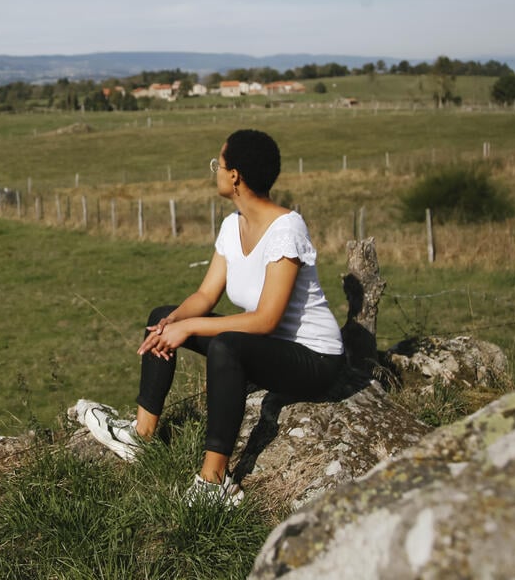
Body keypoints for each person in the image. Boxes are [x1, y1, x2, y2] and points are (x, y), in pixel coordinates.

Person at [82, 129, 345, 506]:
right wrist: (172, 323)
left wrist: (189, 327)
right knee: (163, 316)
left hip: (315, 360)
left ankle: (213, 483)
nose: (215, 172)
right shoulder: (231, 226)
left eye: (217, 165)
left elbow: (266, 319)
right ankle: (141, 436)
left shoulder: (286, 229)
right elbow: (206, 295)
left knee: (226, 347)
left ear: (235, 176)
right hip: (271, 349)